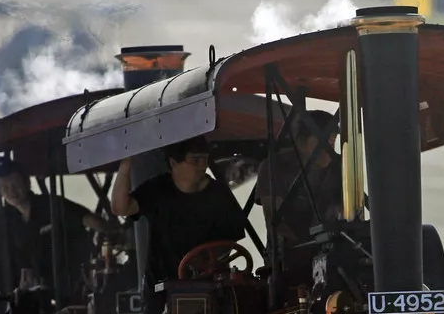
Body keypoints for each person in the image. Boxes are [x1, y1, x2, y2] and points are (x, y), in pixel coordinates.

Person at [0, 157, 102, 314]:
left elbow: (87, 218)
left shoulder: (50, 204)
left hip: (70, 286)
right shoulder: (6, 222)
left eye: (14, 184)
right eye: (5, 188)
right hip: (35, 298)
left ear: (27, 182)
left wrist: (114, 233)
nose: (11, 191)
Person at [109, 135, 248, 283]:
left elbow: (229, 243)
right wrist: (126, 164)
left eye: (205, 160)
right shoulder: (158, 189)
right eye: (195, 161)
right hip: (162, 286)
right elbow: (120, 207)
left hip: (209, 285)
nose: (203, 166)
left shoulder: (220, 194)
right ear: (174, 162)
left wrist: (206, 264)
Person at [256, 109, 343, 281]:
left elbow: (346, 212)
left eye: (332, 142)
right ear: (301, 141)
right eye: (324, 141)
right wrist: (309, 248)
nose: (329, 149)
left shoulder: (338, 168)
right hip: (287, 262)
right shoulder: (274, 167)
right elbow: (275, 220)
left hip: (332, 256)